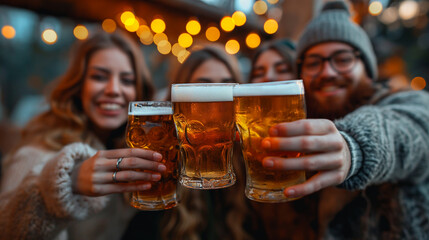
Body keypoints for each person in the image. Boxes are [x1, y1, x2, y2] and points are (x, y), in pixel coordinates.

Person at [260, 1, 429, 239]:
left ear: (367, 68)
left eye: (342, 58)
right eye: (313, 63)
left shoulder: (407, 102)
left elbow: (410, 131)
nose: (327, 72)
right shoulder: (293, 129)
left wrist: (354, 147)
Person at [0, 30, 167, 240]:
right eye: (99, 77)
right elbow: (7, 228)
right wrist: (65, 183)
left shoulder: (133, 146)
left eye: (126, 80)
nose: (113, 89)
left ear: (139, 91)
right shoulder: (39, 150)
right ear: (79, 86)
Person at [123, 44, 265, 240]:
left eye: (227, 85)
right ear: (180, 101)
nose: (216, 95)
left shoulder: (250, 163)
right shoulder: (163, 166)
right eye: (203, 85)